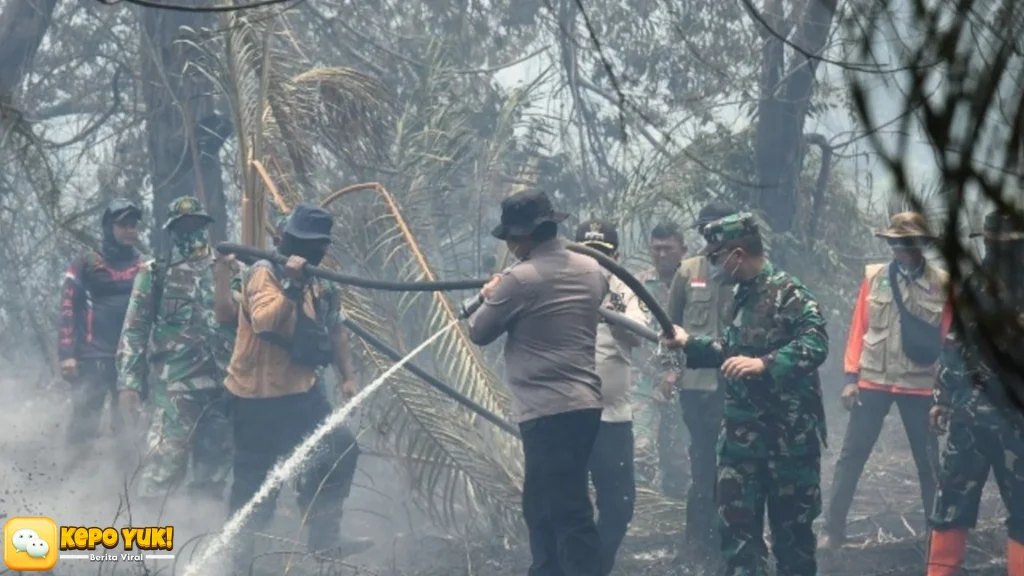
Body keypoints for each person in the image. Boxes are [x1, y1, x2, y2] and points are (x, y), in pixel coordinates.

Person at [661, 212, 829, 576]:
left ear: (738, 254)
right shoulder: (741, 295)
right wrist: (690, 343)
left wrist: (766, 363)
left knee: (793, 543)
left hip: (788, 443)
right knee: (737, 540)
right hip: (740, 440)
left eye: (717, 256)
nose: (713, 264)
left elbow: (816, 343)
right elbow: (730, 351)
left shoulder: (789, 292)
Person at [467, 189, 605, 576]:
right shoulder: (591, 269)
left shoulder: (519, 279)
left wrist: (488, 295)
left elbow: (479, 332)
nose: (510, 246)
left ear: (522, 236)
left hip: (549, 410)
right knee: (543, 505)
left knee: (567, 511)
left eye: (510, 238)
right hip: (583, 406)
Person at [225, 203, 368, 572]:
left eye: (314, 245)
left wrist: (348, 377)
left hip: (301, 394)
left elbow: (336, 329)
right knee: (255, 491)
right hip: (256, 400)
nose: (305, 251)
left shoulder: (321, 282)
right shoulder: (263, 273)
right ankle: (238, 562)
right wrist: (291, 284)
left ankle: (324, 541)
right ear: (285, 240)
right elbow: (265, 322)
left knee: (341, 449)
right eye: (299, 243)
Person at [821, 212, 945, 548]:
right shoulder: (874, 277)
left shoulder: (943, 283)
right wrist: (850, 378)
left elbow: (949, 340)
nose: (899, 248)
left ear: (921, 245)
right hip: (873, 380)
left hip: (919, 384)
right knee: (851, 455)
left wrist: (944, 395)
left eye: (906, 242)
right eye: (894, 242)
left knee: (928, 460)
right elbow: (858, 329)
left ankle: (937, 534)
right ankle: (832, 530)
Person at [116, 196, 233, 501]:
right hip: (176, 385)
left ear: (206, 226)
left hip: (224, 385)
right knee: (163, 465)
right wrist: (129, 383)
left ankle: (199, 538)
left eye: (196, 224)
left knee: (214, 471)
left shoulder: (230, 268)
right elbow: (135, 329)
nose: (190, 231)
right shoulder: (155, 272)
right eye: (183, 226)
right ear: (171, 230)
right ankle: (147, 540)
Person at [926, 212, 1024, 576]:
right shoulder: (971, 286)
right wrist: (941, 399)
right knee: (950, 505)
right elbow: (953, 345)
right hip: (970, 419)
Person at [661, 201, 737, 564]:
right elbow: (670, 329)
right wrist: (671, 372)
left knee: (737, 466)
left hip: (738, 386)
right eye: (707, 229)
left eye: (719, 228)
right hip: (698, 388)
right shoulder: (689, 271)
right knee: (703, 464)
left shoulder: (744, 271)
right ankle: (696, 544)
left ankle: (736, 542)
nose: (713, 236)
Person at [576, 218, 645, 575]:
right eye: (586, 253)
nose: (595, 261)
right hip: (567, 416)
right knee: (568, 506)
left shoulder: (625, 287)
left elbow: (641, 332)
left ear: (616, 255)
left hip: (612, 418)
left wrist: (609, 307)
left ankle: (595, 569)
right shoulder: (558, 284)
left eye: (602, 255)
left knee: (619, 505)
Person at [59, 199, 143, 455]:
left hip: (130, 358)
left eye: (133, 225)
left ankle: (123, 486)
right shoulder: (86, 262)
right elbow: (67, 308)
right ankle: (71, 479)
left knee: (128, 423)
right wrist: (68, 355)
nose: (130, 230)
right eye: (123, 225)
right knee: (84, 420)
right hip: (92, 355)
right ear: (109, 227)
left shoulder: (144, 265)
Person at [635, 222, 690, 496]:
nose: (661, 255)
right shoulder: (637, 284)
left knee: (680, 456)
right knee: (640, 450)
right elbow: (627, 335)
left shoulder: (695, 284)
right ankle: (641, 507)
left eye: (668, 249)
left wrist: (676, 375)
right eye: (656, 249)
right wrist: (657, 376)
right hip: (646, 380)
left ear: (683, 250)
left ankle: (675, 509)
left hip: (687, 380)